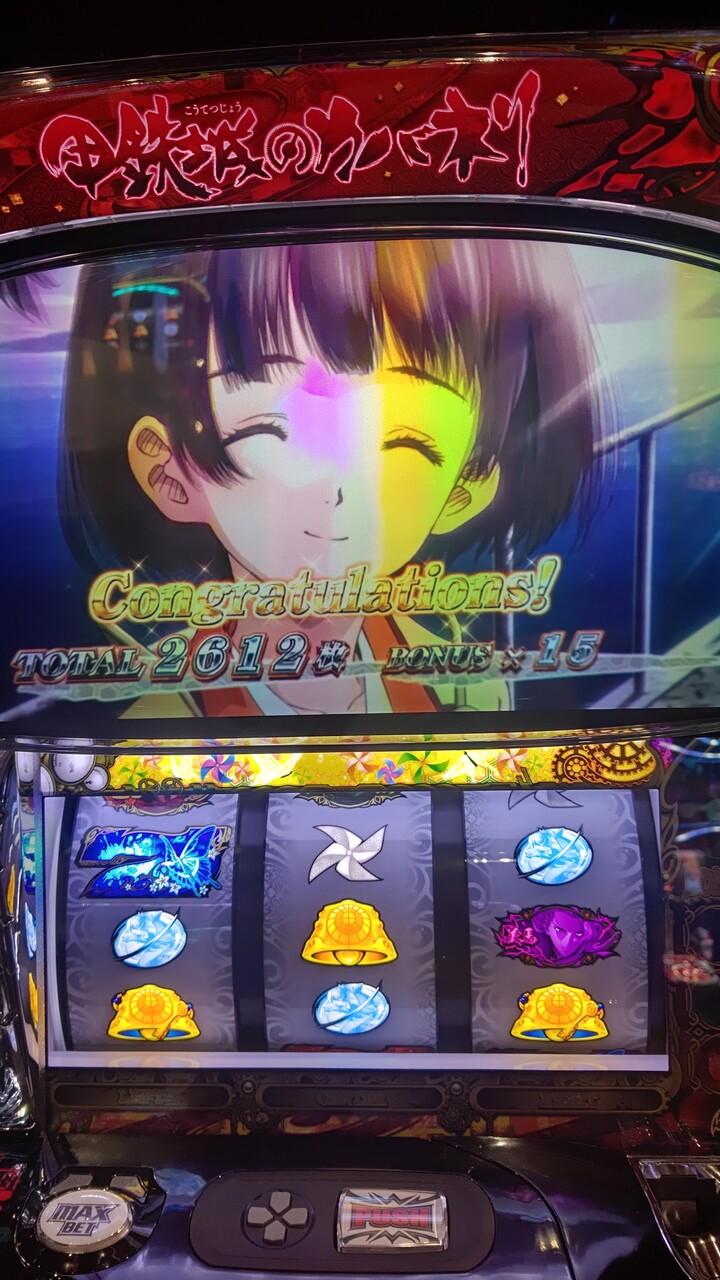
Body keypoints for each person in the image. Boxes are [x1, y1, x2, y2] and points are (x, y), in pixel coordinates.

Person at [51, 236, 606, 719]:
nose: (336, 487)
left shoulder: (471, 690)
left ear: (467, 484)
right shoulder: (157, 724)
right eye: (268, 430)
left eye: (406, 443)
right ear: (169, 472)